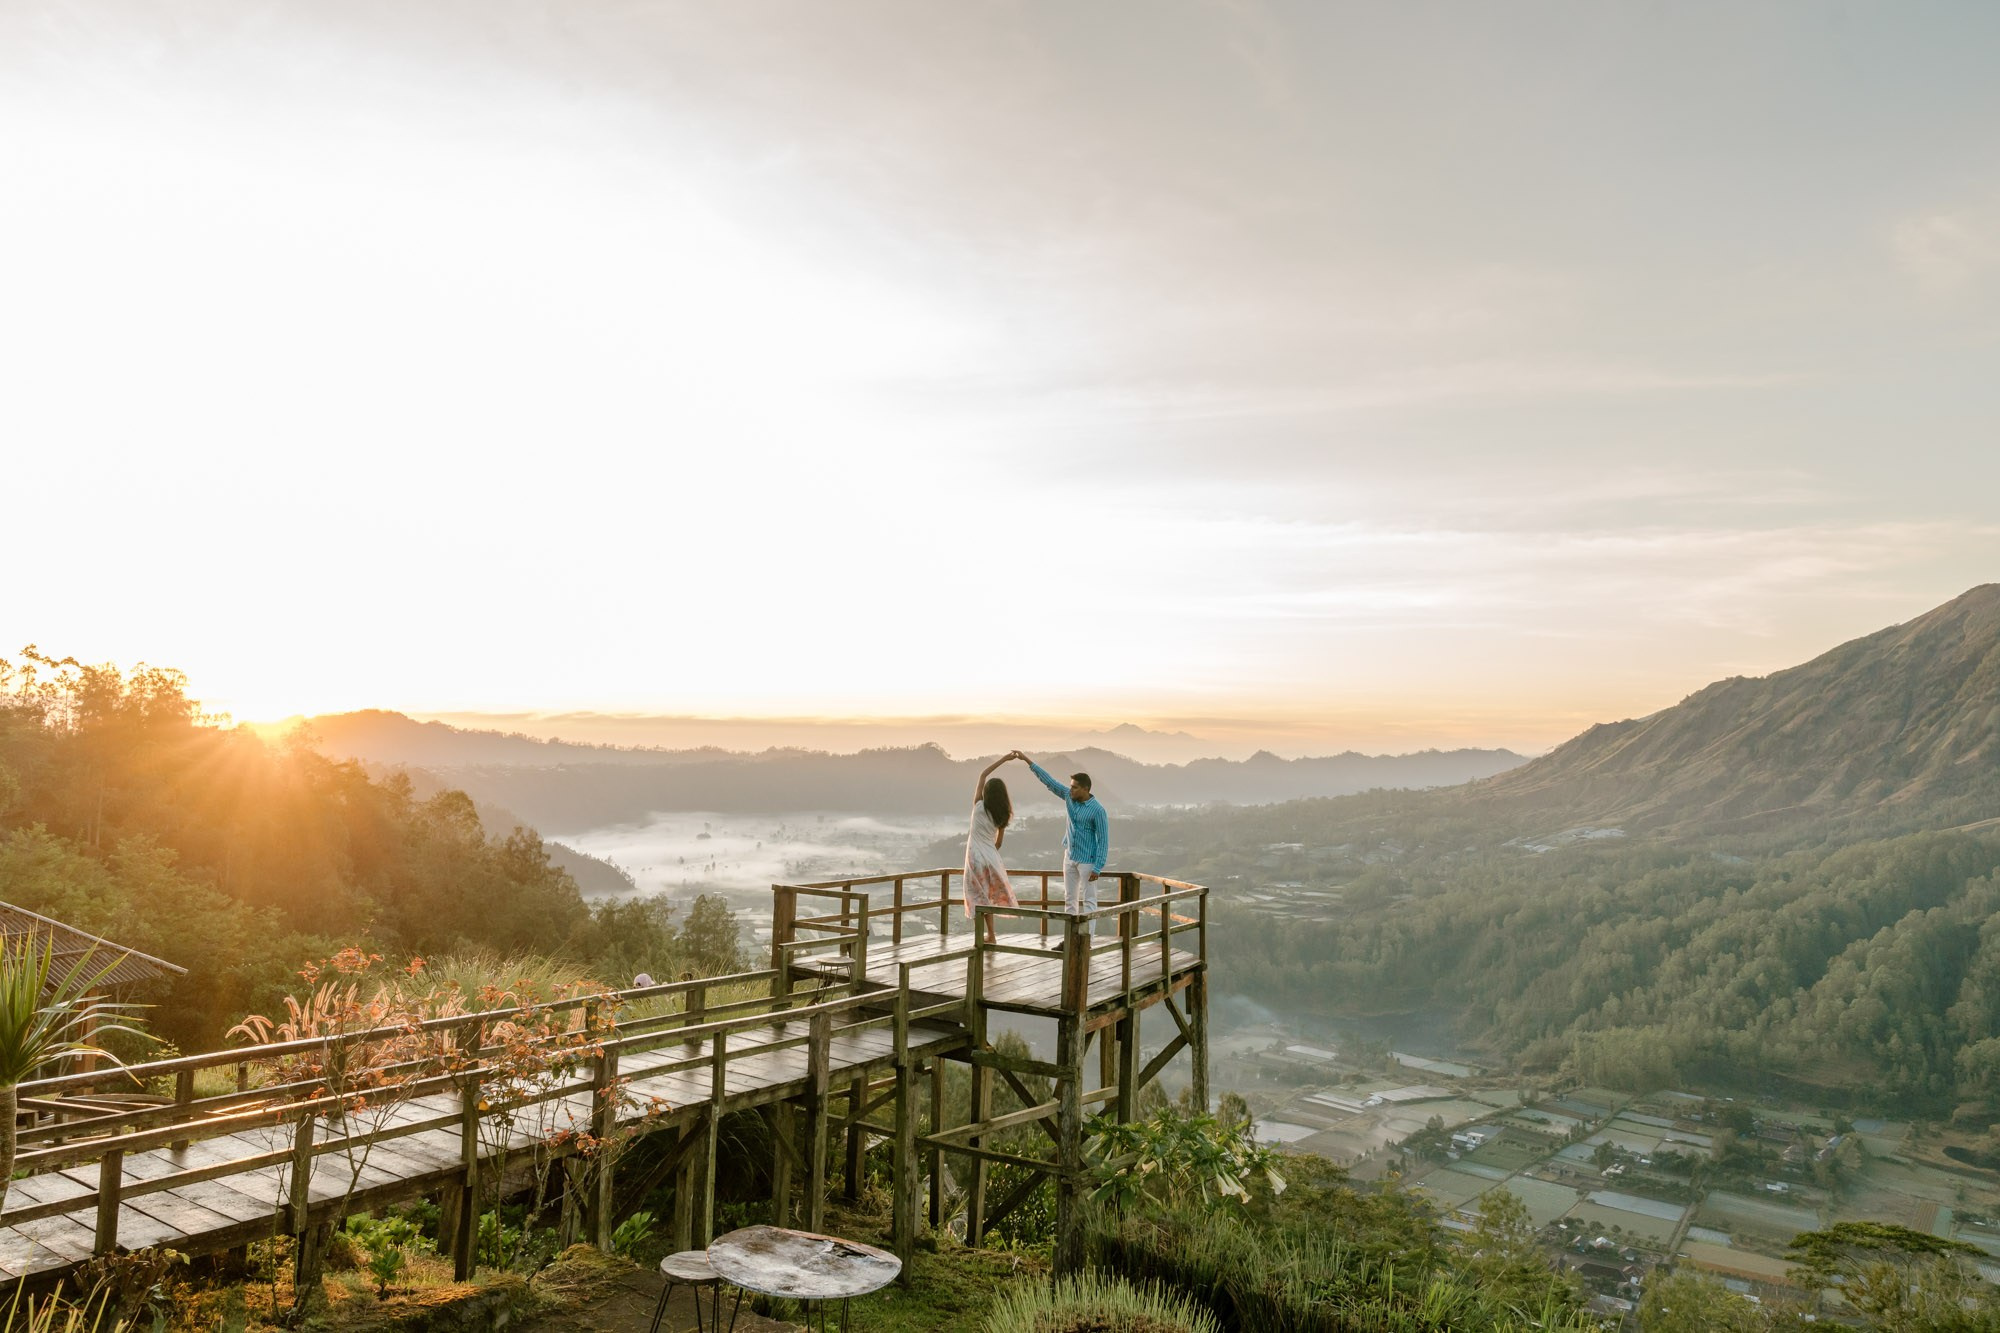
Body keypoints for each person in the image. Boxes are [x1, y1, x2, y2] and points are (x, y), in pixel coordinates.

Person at [1016, 752, 1108, 948]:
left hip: (1088, 861)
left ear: (1085, 789)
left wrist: (1097, 867)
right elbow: (1049, 782)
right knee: (1070, 900)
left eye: (1075, 787)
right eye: (1071, 786)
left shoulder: (1098, 810)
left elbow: (1104, 841)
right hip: (1069, 856)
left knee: (1089, 901)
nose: (1071, 790)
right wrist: (1027, 761)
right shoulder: (1069, 797)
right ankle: (1071, 940)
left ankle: (1087, 942)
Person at [963, 753, 1023, 946]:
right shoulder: (1002, 815)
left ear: (986, 793)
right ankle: (991, 935)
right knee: (987, 896)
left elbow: (982, 775)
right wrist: (989, 851)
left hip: (974, 856)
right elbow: (999, 843)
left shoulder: (978, 806)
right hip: (991, 857)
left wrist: (1004, 759)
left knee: (976, 896)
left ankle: (983, 936)